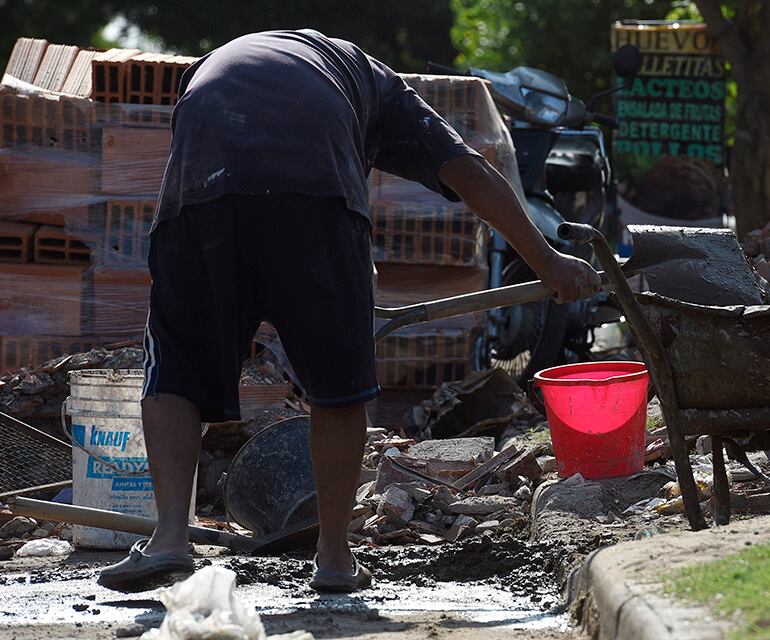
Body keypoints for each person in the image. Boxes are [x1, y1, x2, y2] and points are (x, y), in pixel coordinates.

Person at [97, 30, 599, 593]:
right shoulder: (379, 85)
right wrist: (549, 262)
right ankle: (334, 558)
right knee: (338, 383)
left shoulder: (222, 66)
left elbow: (241, 165)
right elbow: (469, 171)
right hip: (316, 204)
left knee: (176, 371)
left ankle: (168, 539)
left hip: (198, 194)